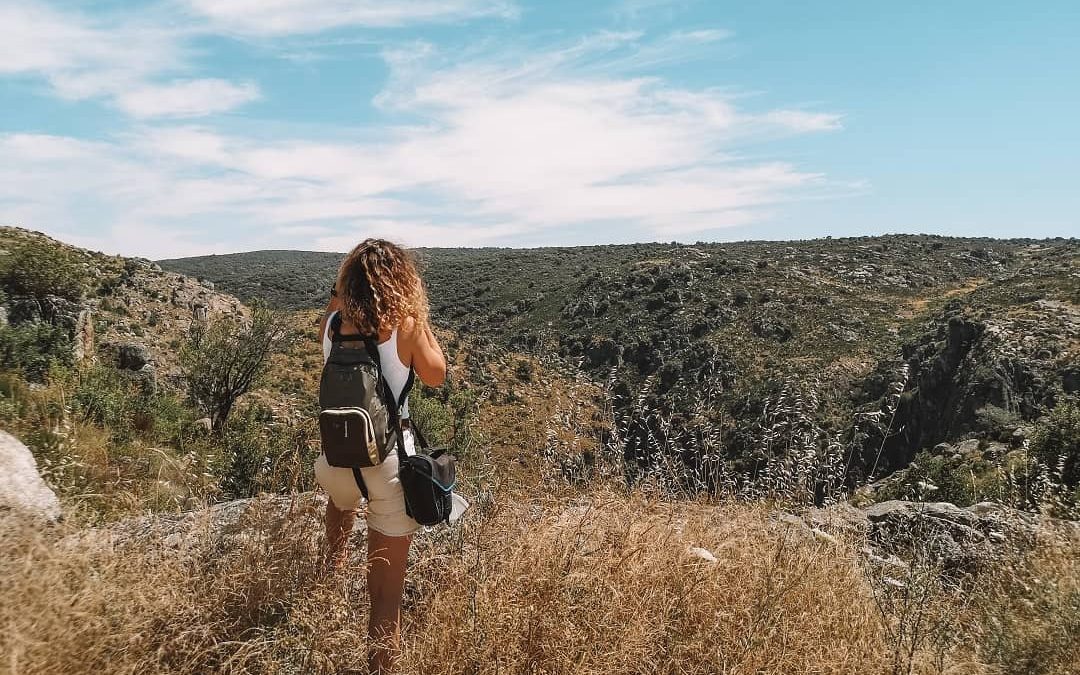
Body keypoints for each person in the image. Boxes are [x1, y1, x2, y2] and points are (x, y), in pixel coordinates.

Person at [314, 238, 446, 674]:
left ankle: (323, 600)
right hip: (387, 464)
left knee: (341, 505)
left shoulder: (333, 322)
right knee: (385, 598)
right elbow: (436, 375)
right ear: (401, 281)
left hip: (334, 464)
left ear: (349, 280)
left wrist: (338, 292)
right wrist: (418, 316)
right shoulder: (405, 326)